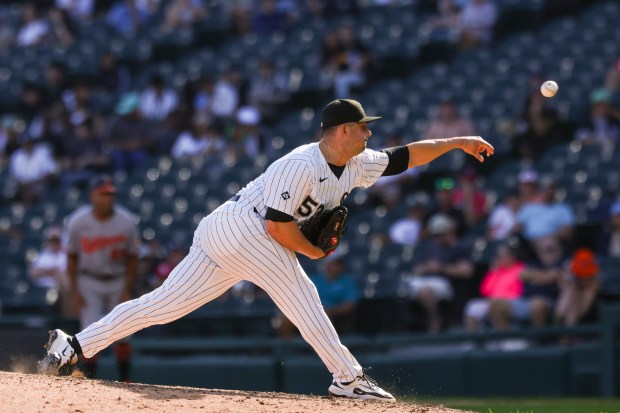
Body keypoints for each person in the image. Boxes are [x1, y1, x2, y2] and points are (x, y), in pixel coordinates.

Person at [39, 98, 494, 401]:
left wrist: (457, 142)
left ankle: (74, 343)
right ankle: (348, 378)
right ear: (339, 132)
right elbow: (278, 228)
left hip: (229, 233)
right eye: (361, 128)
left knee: (162, 307)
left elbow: (407, 155)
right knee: (301, 291)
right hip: (244, 228)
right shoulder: (300, 164)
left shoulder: (356, 164)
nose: (368, 135)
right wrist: (313, 255)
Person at [63, 176, 140, 381]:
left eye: (111, 194)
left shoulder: (125, 220)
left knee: (124, 330)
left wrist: (127, 287)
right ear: (93, 196)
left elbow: (133, 257)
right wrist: (75, 293)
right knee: (90, 332)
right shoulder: (78, 221)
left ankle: (126, 379)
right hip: (89, 281)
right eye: (103, 194)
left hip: (117, 279)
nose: (108, 198)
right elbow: (71, 258)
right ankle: (90, 380)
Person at [408, 214, 474, 332]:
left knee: (425, 291)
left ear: (450, 231)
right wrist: (426, 268)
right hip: (426, 279)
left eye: (441, 233)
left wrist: (441, 268)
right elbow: (416, 269)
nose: (439, 237)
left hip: (446, 283)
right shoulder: (431, 248)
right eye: (436, 235)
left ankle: (435, 319)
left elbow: (466, 271)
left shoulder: (460, 248)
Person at [279, 252, 359, 338]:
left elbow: (349, 305)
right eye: (336, 263)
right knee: (287, 317)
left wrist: (329, 310)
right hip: (310, 311)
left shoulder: (348, 282)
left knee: (323, 317)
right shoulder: (315, 279)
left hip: (332, 316)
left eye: (341, 263)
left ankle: (319, 349)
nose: (339, 266)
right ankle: (287, 349)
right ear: (327, 264)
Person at [28, 226, 70, 315]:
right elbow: (33, 274)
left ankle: (68, 317)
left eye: (57, 240)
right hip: (44, 288)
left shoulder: (65, 255)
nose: (54, 243)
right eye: (52, 240)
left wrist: (48, 271)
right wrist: (50, 271)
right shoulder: (43, 256)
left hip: (62, 289)